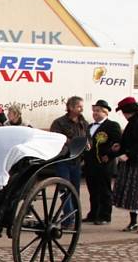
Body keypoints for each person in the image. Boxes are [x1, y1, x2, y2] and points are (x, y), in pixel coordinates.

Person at [111, 96, 138, 233]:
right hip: (132, 161)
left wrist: (128, 154)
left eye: (124, 111)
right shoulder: (132, 123)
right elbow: (130, 141)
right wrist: (120, 146)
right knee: (130, 192)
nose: (123, 115)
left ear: (129, 111)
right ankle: (133, 222)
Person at [82, 99, 122, 225]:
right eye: (94, 111)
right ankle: (93, 213)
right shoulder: (89, 126)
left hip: (104, 163)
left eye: (98, 111)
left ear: (105, 112)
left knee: (104, 190)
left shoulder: (112, 125)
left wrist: (109, 155)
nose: (95, 113)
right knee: (92, 190)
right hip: (90, 163)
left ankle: (105, 215)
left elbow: (118, 143)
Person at [50, 96, 88, 224]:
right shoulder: (59, 123)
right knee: (64, 189)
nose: (81, 109)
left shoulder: (83, 123)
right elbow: (55, 139)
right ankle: (68, 218)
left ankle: (75, 217)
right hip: (63, 160)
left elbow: (88, 138)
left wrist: (87, 144)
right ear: (71, 107)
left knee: (75, 190)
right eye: (79, 106)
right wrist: (68, 142)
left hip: (77, 160)